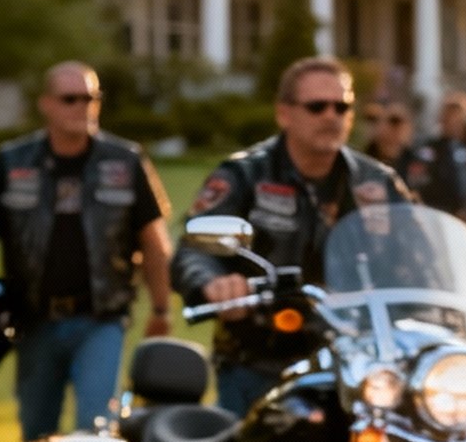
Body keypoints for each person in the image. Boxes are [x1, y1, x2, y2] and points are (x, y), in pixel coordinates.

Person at [0, 62, 172, 441]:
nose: (83, 107)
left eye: (92, 98)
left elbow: (153, 242)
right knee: (36, 432)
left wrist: (161, 307)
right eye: (71, 99)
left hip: (101, 318)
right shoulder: (14, 162)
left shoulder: (125, 161)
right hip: (34, 320)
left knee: (96, 430)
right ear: (46, 104)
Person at [171, 55, 414, 416]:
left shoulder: (377, 183)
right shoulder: (246, 174)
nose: (331, 116)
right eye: (317, 107)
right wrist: (212, 283)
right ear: (284, 113)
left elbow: (419, 257)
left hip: (358, 363)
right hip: (259, 360)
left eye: (342, 106)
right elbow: (192, 250)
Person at [410, 90, 466, 222]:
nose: (451, 120)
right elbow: (418, 182)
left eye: (456, 115)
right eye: (447, 115)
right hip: (435, 217)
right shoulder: (428, 149)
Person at [361, 97, 420, 184]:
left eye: (397, 122)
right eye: (390, 121)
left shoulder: (414, 166)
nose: (392, 129)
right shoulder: (363, 158)